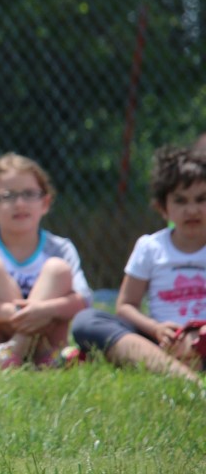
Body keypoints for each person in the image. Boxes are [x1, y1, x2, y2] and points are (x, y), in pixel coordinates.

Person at [71, 146, 206, 381]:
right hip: (160, 340)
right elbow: (125, 306)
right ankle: (183, 376)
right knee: (86, 321)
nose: (192, 209)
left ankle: (164, 363)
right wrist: (155, 328)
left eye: (202, 199)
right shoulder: (150, 247)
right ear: (163, 208)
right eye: (180, 201)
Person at [0, 152, 92, 368]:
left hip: (46, 347)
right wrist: (15, 313)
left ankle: (14, 353)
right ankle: (14, 353)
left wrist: (45, 310)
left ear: (45, 202)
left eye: (29, 194)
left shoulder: (60, 249)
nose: (20, 203)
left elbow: (84, 301)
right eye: (8, 196)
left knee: (58, 269)